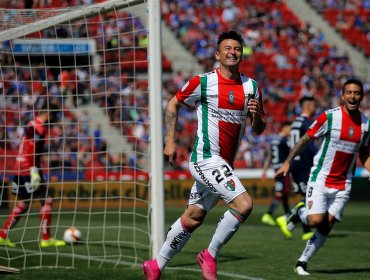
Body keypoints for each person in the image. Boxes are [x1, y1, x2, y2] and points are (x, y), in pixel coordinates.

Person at [142, 30, 266, 280]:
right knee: (244, 205)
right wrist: (170, 141)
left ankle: (155, 266)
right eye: (227, 48)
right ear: (218, 54)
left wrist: (257, 116)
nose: (233, 52)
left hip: (224, 164)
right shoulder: (204, 82)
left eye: (237, 49)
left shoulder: (251, 87)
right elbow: (173, 103)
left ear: (242, 53)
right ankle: (209, 254)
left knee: (193, 216)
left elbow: (260, 129)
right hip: (205, 159)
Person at [275, 78, 370, 276]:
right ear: (342, 96)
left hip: (344, 183)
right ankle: (299, 212)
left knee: (326, 225)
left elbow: (363, 153)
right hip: (320, 178)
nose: (353, 96)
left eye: (357, 93)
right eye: (349, 93)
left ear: (361, 97)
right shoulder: (329, 117)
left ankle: (302, 262)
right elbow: (304, 139)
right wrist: (287, 162)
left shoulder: (366, 125)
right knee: (315, 220)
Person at [0, 102, 66, 248]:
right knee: (47, 199)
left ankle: (2, 235)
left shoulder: (31, 124)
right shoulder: (39, 128)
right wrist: (34, 171)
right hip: (29, 169)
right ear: (49, 114)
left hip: (20, 167)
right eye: (54, 117)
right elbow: (31, 148)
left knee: (23, 203)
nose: (55, 121)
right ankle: (46, 239)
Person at [276, 96, 316, 240]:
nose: (315, 108)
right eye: (313, 105)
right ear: (308, 105)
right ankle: (286, 217)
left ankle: (306, 231)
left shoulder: (295, 122)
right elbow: (309, 146)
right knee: (309, 197)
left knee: (302, 196)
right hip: (303, 164)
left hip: (295, 163)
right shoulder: (306, 123)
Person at [261, 121, 292, 226]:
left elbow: (269, 156)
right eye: (290, 129)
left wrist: (265, 170)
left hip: (275, 169)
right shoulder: (285, 141)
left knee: (284, 193)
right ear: (285, 128)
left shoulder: (274, 141)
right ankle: (269, 214)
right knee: (281, 192)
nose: (291, 132)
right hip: (282, 169)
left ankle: (288, 214)